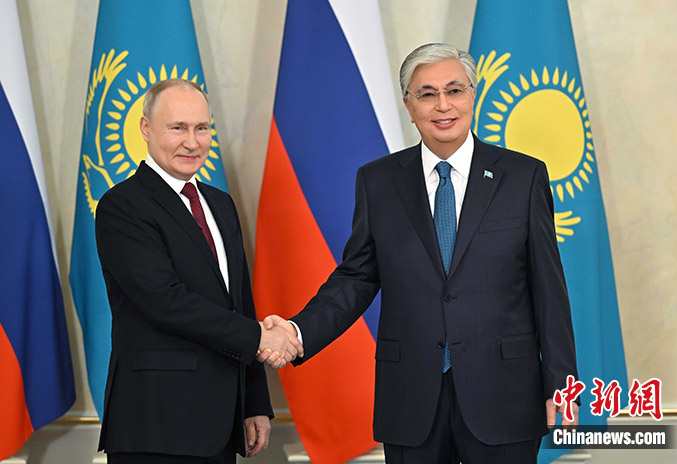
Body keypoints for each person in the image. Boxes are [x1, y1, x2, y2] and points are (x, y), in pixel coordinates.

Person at [263, 43, 579, 463]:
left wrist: (562, 382)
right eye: (427, 94)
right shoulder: (378, 181)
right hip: (411, 398)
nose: (443, 105)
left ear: (473, 95)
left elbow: (548, 288)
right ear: (409, 106)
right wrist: (297, 332)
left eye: (455, 90)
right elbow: (356, 278)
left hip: (504, 393)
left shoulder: (524, 176)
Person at [95, 78, 301, 463]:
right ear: (146, 128)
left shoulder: (220, 204)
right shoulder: (122, 206)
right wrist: (261, 337)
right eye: (178, 128)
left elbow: (240, 304)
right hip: (156, 423)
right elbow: (165, 302)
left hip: (221, 421)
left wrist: (254, 401)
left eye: (201, 128)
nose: (192, 142)